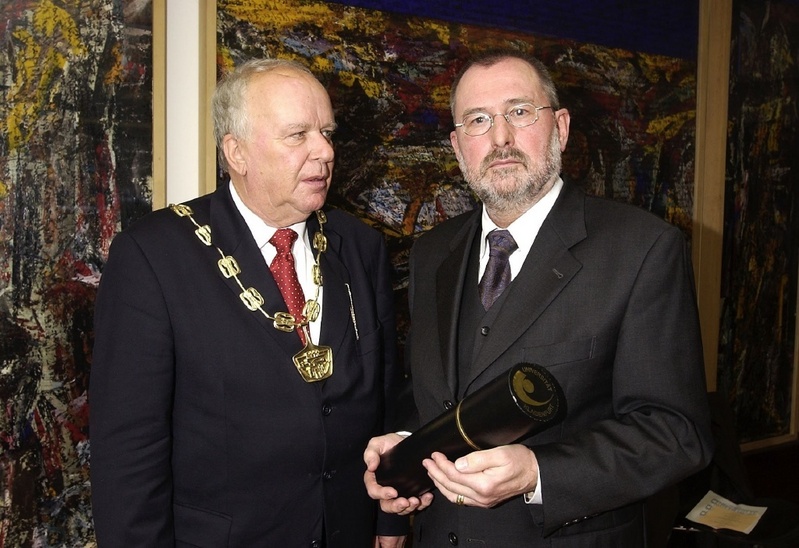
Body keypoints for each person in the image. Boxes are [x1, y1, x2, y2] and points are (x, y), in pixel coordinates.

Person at [364, 49, 714, 546]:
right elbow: (430, 396)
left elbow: (677, 434)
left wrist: (537, 472)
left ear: (561, 127)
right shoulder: (431, 253)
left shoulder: (642, 249)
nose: (501, 137)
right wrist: (404, 451)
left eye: (520, 112)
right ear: (459, 146)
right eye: (478, 120)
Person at [90, 58, 407, 547]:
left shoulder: (359, 245)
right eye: (297, 135)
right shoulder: (153, 256)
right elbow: (128, 451)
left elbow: (385, 397)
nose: (324, 151)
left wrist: (389, 519)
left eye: (326, 132)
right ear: (236, 152)